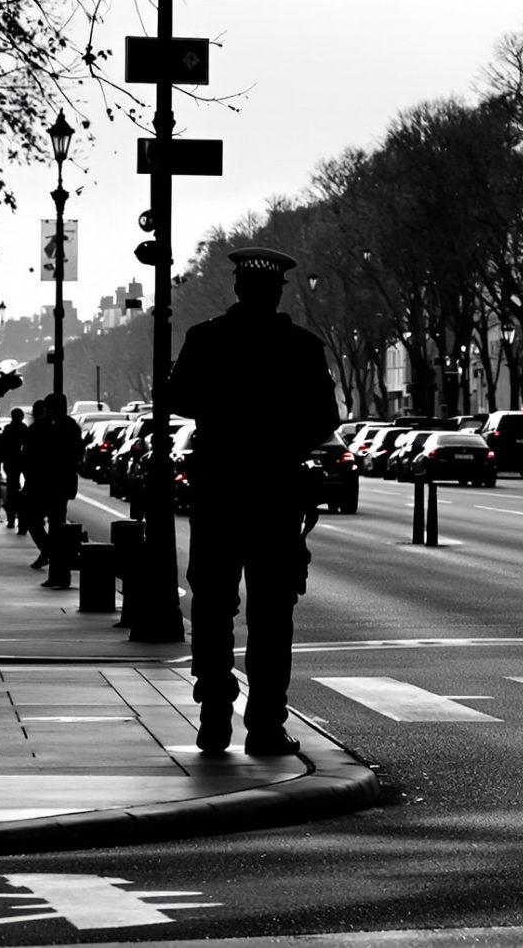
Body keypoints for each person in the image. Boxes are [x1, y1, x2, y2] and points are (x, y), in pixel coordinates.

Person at [164, 247, 340, 756]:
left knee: (214, 607)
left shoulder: (206, 338)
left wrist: (223, 414)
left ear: (238, 289)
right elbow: (323, 418)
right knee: (271, 614)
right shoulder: (302, 346)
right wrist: (282, 440)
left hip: (219, 488)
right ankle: (265, 722)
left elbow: (177, 400)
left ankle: (215, 713)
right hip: (274, 489)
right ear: (277, 291)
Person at [24, 395, 84, 586]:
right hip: (62, 483)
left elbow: (28, 454)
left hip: (43, 483)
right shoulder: (71, 426)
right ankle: (60, 570)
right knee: (57, 525)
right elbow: (78, 454)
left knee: (34, 521)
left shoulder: (40, 428)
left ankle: (53, 558)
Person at [0, 408, 29, 532]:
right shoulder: (24, 429)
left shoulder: (8, 429)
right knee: (24, 490)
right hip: (22, 461)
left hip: (10, 462)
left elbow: (1, 446)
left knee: (11, 491)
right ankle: (22, 522)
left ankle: (11, 519)